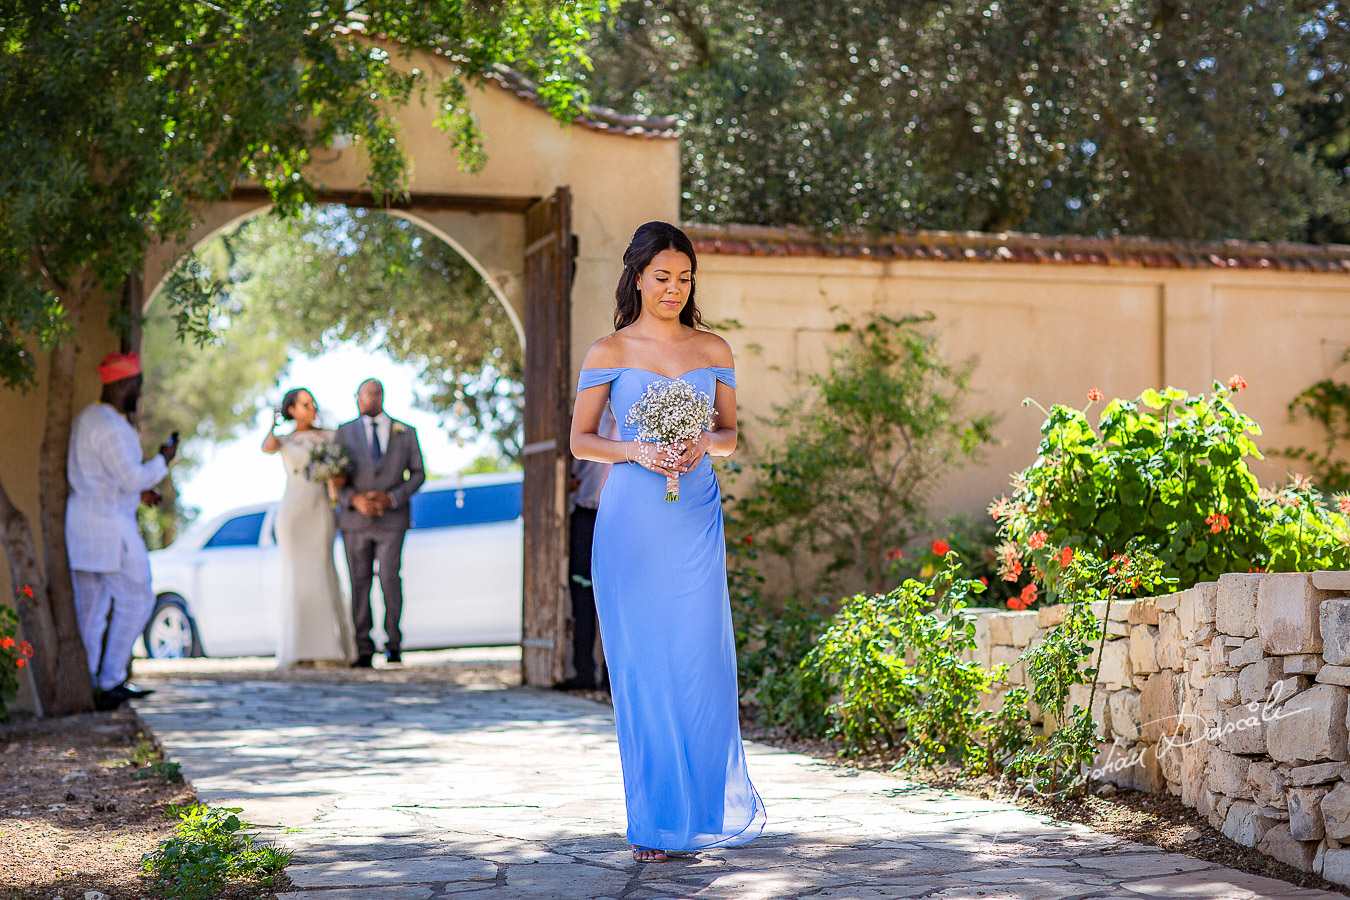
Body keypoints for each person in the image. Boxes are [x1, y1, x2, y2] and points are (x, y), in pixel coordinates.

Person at [569, 221, 766, 862]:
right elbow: (581, 441)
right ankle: (655, 823)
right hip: (631, 520)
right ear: (636, 277)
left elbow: (730, 435)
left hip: (695, 517)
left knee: (699, 662)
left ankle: (704, 813)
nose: (674, 289)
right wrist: (638, 449)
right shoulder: (608, 351)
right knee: (644, 667)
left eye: (685, 278)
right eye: (662, 277)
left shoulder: (714, 349)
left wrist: (700, 441)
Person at [66, 352, 176, 710]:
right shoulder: (111, 426)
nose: (138, 394)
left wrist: (138, 491)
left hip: (84, 523)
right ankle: (110, 679)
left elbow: (108, 477)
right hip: (110, 526)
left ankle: (90, 685)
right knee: (138, 597)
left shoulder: (88, 418)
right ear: (124, 383)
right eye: (137, 385)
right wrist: (163, 459)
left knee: (91, 611)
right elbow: (129, 476)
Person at [334, 379, 425, 668]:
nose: (370, 398)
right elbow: (334, 476)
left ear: (382, 396)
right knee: (358, 583)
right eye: (365, 394)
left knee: (389, 579)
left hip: (392, 521)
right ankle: (363, 648)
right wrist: (355, 500)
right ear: (357, 398)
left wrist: (392, 498)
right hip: (355, 522)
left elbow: (419, 474)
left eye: (375, 393)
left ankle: (393, 644)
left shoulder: (406, 432)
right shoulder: (343, 432)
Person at [261, 388, 355, 668]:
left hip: (320, 508)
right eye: (305, 404)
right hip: (293, 511)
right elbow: (266, 446)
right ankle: (297, 650)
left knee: (322, 571)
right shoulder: (283, 439)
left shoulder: (329, 436)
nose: (311, 407)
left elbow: (342, 472)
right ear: (291, 410)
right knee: (296, 576)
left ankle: (330, 648)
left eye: (312, 403)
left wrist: (334, 474)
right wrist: (273, 423)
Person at [557, 408, 617, 692]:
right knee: (582, 593)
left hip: (621, 517)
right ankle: (583, 671)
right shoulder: (588, 415)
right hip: (586, 515)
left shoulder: (640, 417)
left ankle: (613, 674)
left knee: (618, 594)